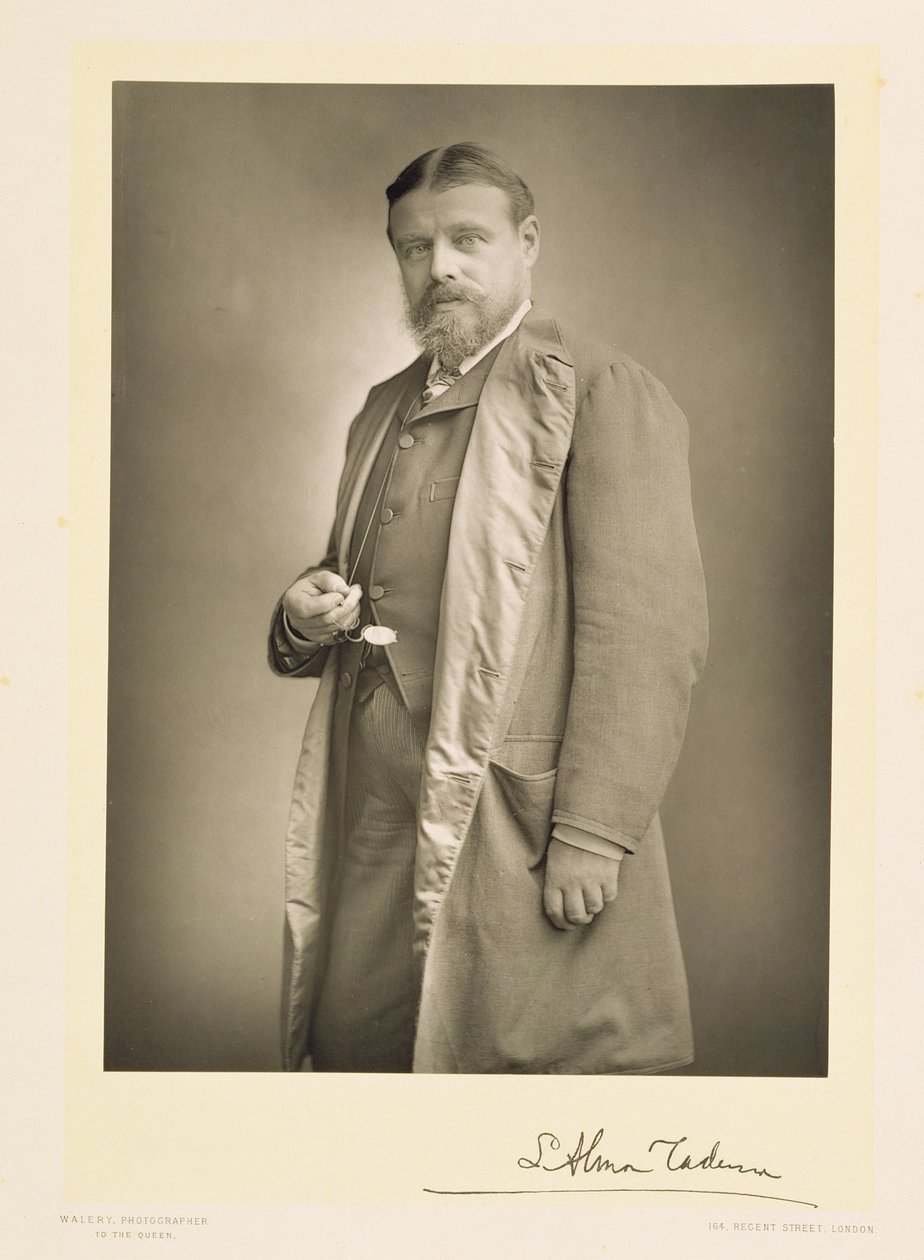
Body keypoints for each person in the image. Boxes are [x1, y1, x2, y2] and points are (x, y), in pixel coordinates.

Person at [268, 142, 708, 1074]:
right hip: (377, 805)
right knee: (361, 1055)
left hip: (517, 810)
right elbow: (361, 573)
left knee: (514, 1073)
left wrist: (595, 830)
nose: (441, 268)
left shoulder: (600, 389)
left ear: (527, 242)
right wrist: (307, 615)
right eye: (415, 247)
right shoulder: (382, 406)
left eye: (467, 239)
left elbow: (646, 634)